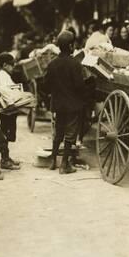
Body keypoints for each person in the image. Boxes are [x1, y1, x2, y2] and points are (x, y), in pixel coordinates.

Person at [44, 30, 88, 174]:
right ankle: (64, 165)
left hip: (58, 104)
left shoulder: (52, 64)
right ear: (70, 46)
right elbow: (79, 86)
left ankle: (52, 161)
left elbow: (45, 86)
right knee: (70, 134)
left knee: (59, 132)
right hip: (72, 105)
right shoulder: (75, 64)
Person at [0, 52, 22, 170]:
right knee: (5, 133)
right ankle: (4, 159)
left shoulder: (5, 75)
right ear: (5, 65)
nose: (13, 67)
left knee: (8, 133)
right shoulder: (2, 75)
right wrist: (11, 102)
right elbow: (3, 91)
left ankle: (6, 156)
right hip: (6, 109)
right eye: (12, 65)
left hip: (9, 109)